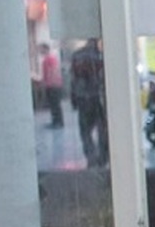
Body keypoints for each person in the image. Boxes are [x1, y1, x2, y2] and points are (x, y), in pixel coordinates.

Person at [70, 38, 108, 167]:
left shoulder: (77, 55)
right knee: (102, 129)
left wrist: (74, 98)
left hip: (83, 98)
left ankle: (91, 157)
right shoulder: (102, 56)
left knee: (85, 131)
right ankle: (103, 158)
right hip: (98, 97)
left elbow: (73, 80)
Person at [38, 43, 64, 128]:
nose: (40, 51)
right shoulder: (48, 59)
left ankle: (58, 122)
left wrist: (49, 82)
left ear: (45, 49)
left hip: (53, 85)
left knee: (55, 104)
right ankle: (55, 121)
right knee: (53, 105)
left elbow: (52, 71)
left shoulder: (50, 58)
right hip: (52, 84)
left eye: (41, 49)